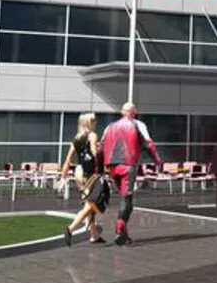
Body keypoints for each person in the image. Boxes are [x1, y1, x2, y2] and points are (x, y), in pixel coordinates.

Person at [100, 102, 162, 246]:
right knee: (126, 199)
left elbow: (101, 148)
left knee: (124, 200)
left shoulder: (109, 127)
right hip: (128, 165)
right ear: (134, 112)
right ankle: (119, 227)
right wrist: (157, 160)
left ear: (122, 112)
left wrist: (99, 168)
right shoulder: (138, 125)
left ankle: (124, 235)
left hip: (112, 167)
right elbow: (148, 144)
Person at [60, 113, 105, 244]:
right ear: (89, 123)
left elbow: (68, 159)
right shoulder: (92, 135)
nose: (95, 122)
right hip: (89, 172)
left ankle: (94, 235)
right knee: (90, 205)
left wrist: (63, 177)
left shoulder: (77, 137)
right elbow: (95, 155)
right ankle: (70, 228)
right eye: (93, 120)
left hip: (78, 171)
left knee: (89, 203)